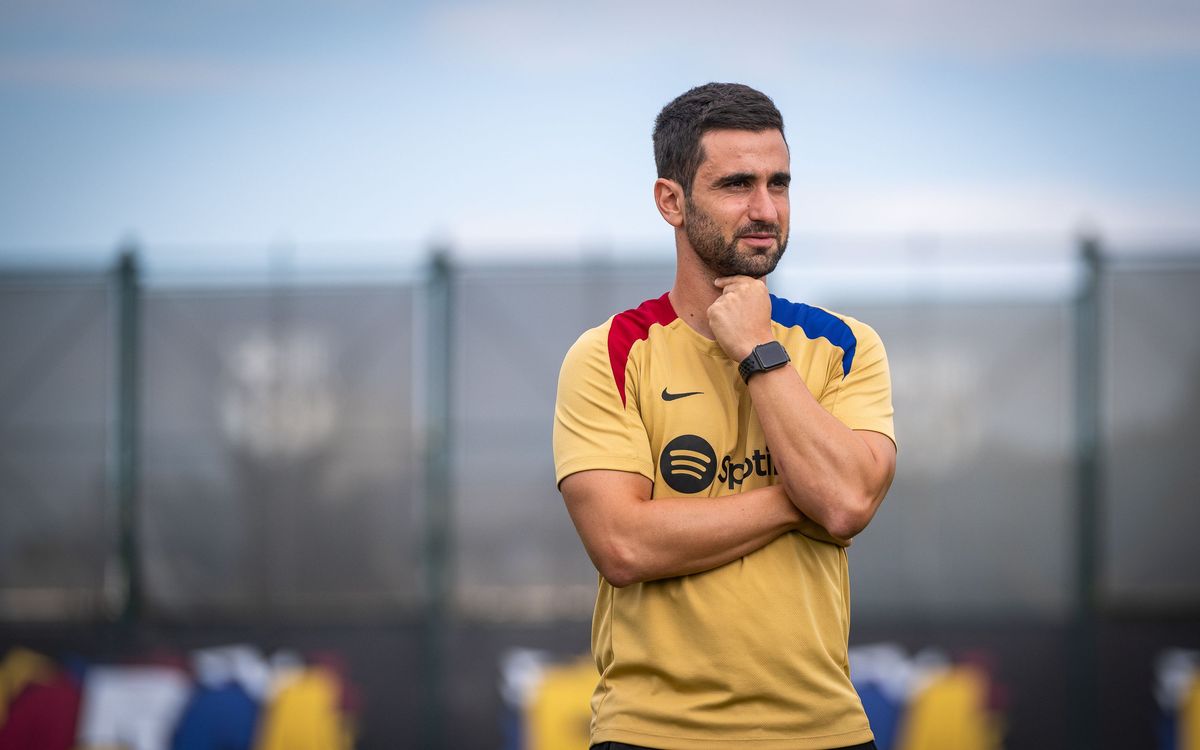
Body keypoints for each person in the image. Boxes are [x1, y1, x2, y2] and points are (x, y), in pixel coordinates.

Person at [553, 82, 897, 750]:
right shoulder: (607, 354)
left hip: (824, 731)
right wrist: (800, 498)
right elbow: (624, 545)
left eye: (779, 184)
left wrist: (757, 351)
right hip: (653, 735)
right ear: (671, 201)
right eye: (737, 184)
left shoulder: (846, 346)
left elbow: (845, 502)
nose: (765, 209)